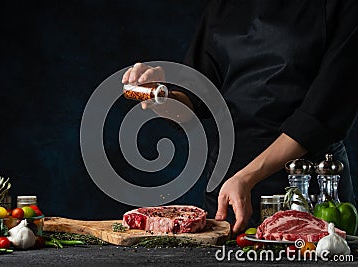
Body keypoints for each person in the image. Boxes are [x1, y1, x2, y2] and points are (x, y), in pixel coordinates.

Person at [122, 0, 358, 233]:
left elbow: (321, 116)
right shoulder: (224, 6)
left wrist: (247, 177)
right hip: (228, 194)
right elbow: (198, 96)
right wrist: (160, 97)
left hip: (307, 193)